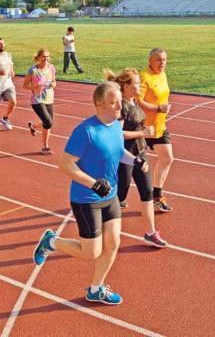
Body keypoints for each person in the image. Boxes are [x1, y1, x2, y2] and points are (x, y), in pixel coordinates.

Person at [32, 81, 146, 305]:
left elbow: (118, 151)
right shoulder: (85, 132)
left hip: (110, 196)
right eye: (113, 103)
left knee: (113, 243)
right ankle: (51, 242)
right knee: (90, 252)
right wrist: (93, 184)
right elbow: (65, 165)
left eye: (119, 102)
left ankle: (96, 288)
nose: (118, 107)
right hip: (87, 199)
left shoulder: (115, 126)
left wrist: (135, 160)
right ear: (99, 104)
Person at [104, 67, 168, 247]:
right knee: (120, 196)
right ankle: (101, 221)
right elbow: (119, 134)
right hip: (124, 156)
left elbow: (138, 126)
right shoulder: (121, 106)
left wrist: (145, 135)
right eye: (137, 83)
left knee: (147, 192)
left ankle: (151, 233)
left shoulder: (136, 103)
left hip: (140, 154)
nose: (140, 86)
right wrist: (143, 133)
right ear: (125, 86)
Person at [139, 47, 174, 212]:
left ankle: (157, 196)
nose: (162, 63)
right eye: (159, 60)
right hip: (143, 126)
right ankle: (116, 195)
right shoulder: (144, 77)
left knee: (167, 158)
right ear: (150, 61)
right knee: (129, 164)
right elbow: (138, 102)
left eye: (165, 60)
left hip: (159, 125)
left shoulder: (163, 75)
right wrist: (158, 108)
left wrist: (164, 109)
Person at [24, 48, 57, 155]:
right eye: (43, 56)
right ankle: (45, 147)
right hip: (37, 100)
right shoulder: (33, 70)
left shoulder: (51, 68)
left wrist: (53, 84)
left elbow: (54, 82)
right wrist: (34, 86)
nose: (46, 59)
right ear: (38, 58)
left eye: (47, 56)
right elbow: (24, 85)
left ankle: (33, 126)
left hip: (49, 98)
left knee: (48, 124)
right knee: (48, 122)